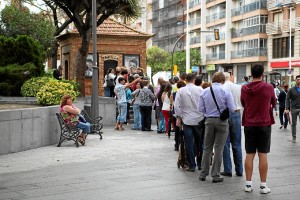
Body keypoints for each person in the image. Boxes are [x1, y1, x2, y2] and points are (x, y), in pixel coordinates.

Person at [241, 64, 276, 194]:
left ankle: (248, 185)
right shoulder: (269, 87)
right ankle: (263, 186)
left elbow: (243, 103)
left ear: (251, 73)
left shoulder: (244, 88)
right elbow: (273, 102)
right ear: (262, 74)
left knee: (249, 154)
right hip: (264, 124)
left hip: (249, 124)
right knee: (263, 154)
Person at [198, 72, 235, 183]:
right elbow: (232, 108)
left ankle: (203, 173)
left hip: (209, 121)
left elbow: (200, 109)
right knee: (219, 148)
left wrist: (208, 113)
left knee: (207, 148)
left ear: (213, 79)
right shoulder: (226, 91)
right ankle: (215, 174)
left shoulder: (204, 91)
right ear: (222, 80)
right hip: (222, 122)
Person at [174, 73, 204, 172]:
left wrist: (179, 116)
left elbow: (176, 105)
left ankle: (192, 164)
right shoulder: (200, 90)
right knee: (199, 142)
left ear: (185, 80)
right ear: (194, 80)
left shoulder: (181, 91)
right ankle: (200, 163)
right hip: (199, 118)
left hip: (186, 119)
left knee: (188, 143)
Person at [221, 72, 243, 177]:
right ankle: (239, 170)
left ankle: (228, 169)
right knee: (237, 143)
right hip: (237, 113)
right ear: (230, 77)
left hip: (225, 115)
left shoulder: (221, 88)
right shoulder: (239, 87)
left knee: (225, 144)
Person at [285, 75, 300, 143]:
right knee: (294, 124)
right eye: (298, 79)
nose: (299, 80)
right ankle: (294, 137)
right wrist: (287, 108)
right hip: (293, 108)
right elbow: (287, 99)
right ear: (295, 80)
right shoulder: (291, 90)